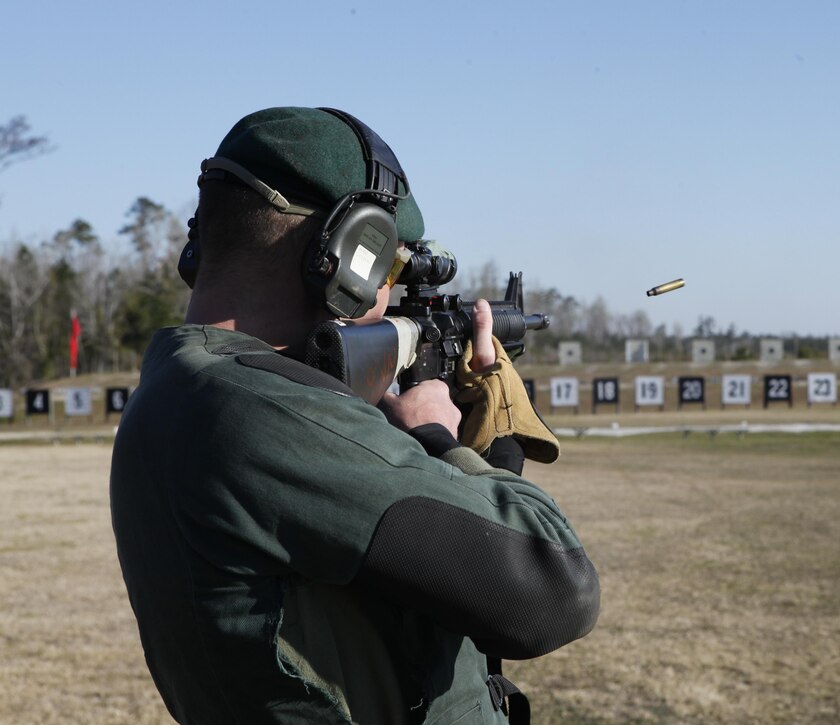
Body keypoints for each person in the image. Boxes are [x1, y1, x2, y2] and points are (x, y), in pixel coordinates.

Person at [110, 106, 599, 725]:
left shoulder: (182, 385)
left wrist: (480, 447)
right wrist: (436, 435)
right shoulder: (263, 413)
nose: (388, 295)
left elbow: (469, 592)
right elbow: (552, 594)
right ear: (349, 256)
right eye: (391, 268)